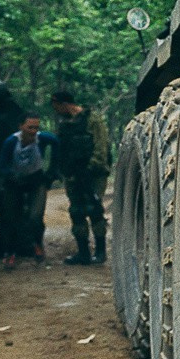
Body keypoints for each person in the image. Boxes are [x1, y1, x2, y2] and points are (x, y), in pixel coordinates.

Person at [49, 89, 110, 266]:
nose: (56, 110)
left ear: (64, 104)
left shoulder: (92, 119)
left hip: (93, 174)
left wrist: (91, 167)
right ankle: (83, 252)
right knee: (76, 212)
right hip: (73, 175)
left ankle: (100, 252)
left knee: (94, 210)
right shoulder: (65, 124)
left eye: (56, 106)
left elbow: (101, 146)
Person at [0, 114, 58, 269]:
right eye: (30, 127)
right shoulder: (11, 142)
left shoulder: (42, 139)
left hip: (36, 181)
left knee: (35, 216)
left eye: (36, 127)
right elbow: (1, 164)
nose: (33, 131)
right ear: (21, 126)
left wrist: (52, 171)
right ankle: (9, 253)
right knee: (11, 218)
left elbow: (58, 143)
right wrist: (11, 175)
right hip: (14, 183)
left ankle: (37, 244)